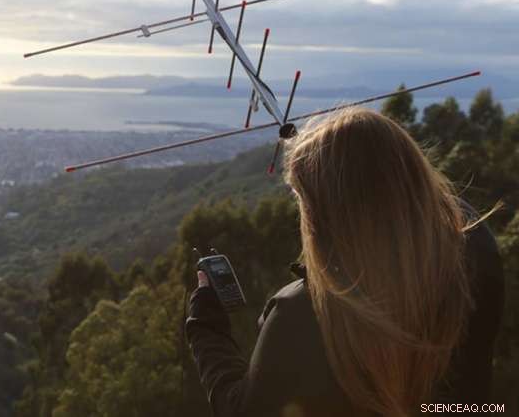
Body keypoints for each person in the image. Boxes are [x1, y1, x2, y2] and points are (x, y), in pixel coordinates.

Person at [186, 108, 504, 417]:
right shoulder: (476, 249)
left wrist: (206, 328)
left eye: (304, 202)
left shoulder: (306, 313)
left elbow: (242, 409)